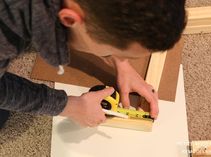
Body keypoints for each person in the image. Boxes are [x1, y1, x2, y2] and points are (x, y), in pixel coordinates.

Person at [0, 0, 186, 128]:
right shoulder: (7, 33)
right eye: (109, 53)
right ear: (70, 20)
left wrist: (121, 62)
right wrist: (68, 106)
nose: (116, 58)